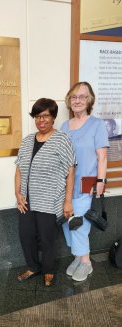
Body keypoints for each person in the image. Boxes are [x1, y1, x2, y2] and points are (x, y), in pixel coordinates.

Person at [15, 98, 76, 286]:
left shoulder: (61, 140)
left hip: (50, 200)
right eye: (37, 116)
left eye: (46, 116)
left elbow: (70, 170)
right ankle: (33, 266)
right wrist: (17, 194)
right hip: (27, 200)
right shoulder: (27, 141)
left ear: (54, 117)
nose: (41, 120)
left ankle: (48, 269)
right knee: (26, 236)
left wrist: (68, 201)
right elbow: (18, 169)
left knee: (47, 238)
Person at [61, 81, 109, 282]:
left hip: (86, 183)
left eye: (82, 96)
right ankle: (78, 257)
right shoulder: (65, 125)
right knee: (67, 223)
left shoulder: (97, 125)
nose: (78, 100)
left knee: (79, 225)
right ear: (69, 101)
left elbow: (102, 157)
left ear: (89, 100)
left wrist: (99, 184)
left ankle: (87, 262)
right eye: (74, 97)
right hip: (65, 185)